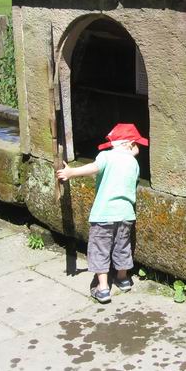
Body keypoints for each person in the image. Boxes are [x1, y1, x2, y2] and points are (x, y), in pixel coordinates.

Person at [56, 123, 148, 303]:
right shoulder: (134, 164)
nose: (139, 148)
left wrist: (71, 172)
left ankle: (103, 288)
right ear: (128, 144)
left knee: (100, 248)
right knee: (122, 246)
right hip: (126, 215)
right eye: (137, 144)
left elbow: (93, 168)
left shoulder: (106, 156)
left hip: (104, 214)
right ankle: (123, 279)